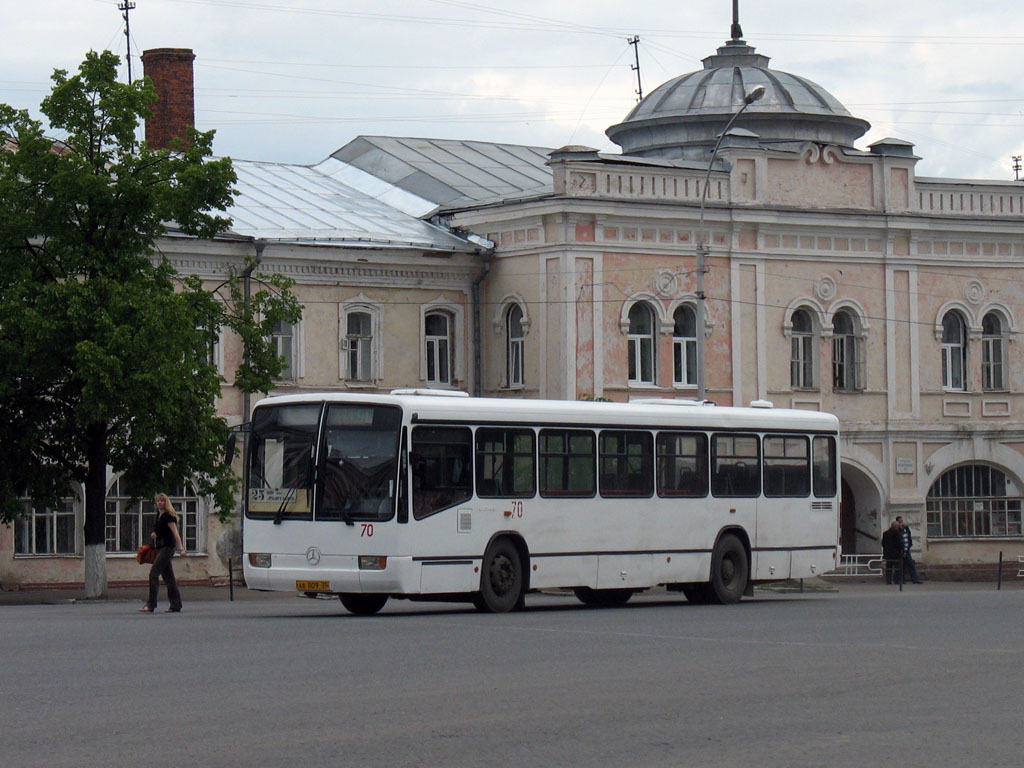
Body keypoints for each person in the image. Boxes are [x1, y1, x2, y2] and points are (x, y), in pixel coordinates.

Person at [138, 493, 186, 613]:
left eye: (162, 501)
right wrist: (155, 534)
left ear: (166, 503)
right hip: (160, 548)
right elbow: (160, 531)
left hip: (167, 548)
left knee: (153, 573)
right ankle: (176, 605)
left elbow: (175, 533)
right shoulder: (158, 516)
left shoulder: (168, 516)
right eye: (158, 501)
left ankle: (151, 604)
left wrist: (181, 549)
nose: (160, 503)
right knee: (168, 577)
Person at [896, 515, 923, 584]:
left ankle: (915, 579)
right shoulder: (897, 530)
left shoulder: (906, 528)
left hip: (907, 549)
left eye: (902, 521)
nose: (902, 522)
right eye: (900, 521)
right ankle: (901, 579)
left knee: (911, 564)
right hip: (900, 550)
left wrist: (909, 544)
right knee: (901, 565)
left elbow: (909, 537)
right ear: (897, 522)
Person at [880, 520, 903, 585]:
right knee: (897, 568)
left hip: (888, 553)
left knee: (889, 568)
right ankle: (896, 580)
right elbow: (900, 543)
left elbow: (883, 543)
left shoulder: (885, 533)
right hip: (896, 554)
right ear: (896, 527)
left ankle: (888, 580)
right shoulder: (897, 533)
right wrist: (902, 550)